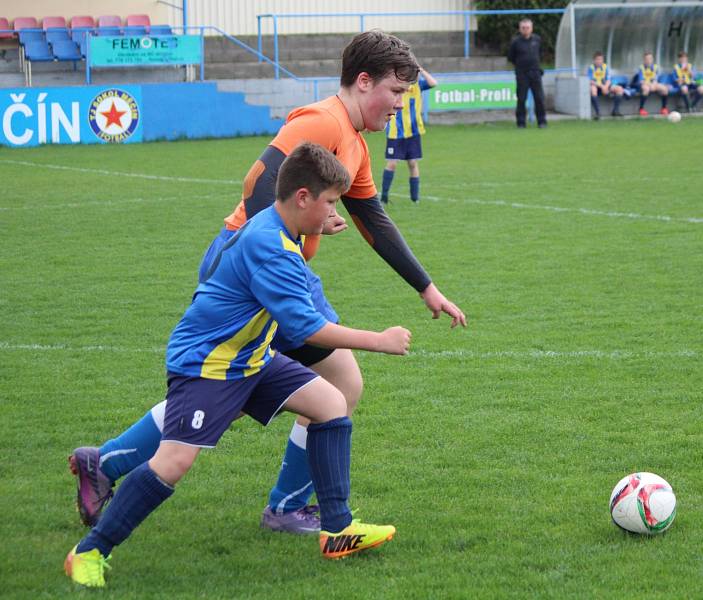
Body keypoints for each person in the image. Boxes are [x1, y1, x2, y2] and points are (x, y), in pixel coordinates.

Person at [69, 30, 466, 536]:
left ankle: (105, 463)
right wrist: (280, 250)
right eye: (395, 91)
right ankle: (283, 508)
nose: (399, 103)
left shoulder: (357, 147)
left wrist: (426, 288)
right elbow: (260, 180)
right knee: (302, 384)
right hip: (247, 263)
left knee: (240, 386)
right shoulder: (322, 121)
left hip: (281, 267)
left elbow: (373, 220)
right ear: (364, 82)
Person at [64, 143, 412, 588]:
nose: (331, 213)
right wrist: (378, 341)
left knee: (330, 402)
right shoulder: (271, 246)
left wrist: (317, 226)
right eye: (328, 202)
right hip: (207, 365)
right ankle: (89, 552)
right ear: (302, 197)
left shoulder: (282, 229)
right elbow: (307, 328)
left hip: (249, 359)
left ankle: (338, 530)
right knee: (173, 461)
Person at [380, 66, 437, 204]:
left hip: (414, 131)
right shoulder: (396, 87)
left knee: (412, 163)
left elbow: (433, 83)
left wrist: (422, 70)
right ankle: (384, 197)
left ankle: (414, 198)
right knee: (392, 163)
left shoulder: (418, 86)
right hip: (395, 132)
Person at [507, 18, 547, 128]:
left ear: (531, 28)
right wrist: (520, 66)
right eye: (523, 28)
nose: (525, 30)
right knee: (521, 99)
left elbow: (540, 54)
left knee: (539, 98)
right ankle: (521, 122)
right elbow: (511, 57)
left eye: (527, 28)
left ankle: (542, 121)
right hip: (522, 74)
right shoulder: (515, 42)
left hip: (535, 73)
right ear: (520, 29)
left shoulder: (537, 40)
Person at [587, 51, 623, 120]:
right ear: (594, 60)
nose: (599, 61)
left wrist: (606, 86)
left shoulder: (605, 67)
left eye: (601, 59)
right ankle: (598, 113)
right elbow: (590, 80)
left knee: (620, 89)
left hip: (604, 86)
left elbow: (608, 79)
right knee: (593, 89)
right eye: (597, 59)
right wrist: (602, 86)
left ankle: (615, 111)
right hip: (596, 85)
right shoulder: (591, 68)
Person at [634, 52, 669, 116]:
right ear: (644, 60)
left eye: (650, 58)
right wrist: (650, 85)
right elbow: (641, 81)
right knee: (646, 89)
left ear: (652, 59)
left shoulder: (655, 67)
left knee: (664, 89)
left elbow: (656, 79)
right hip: (643, 84)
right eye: (647, 59)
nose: (648, 60)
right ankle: (641, 109)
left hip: (653, 84)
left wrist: (654, 84)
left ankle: (664, 108)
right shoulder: (641, 68)